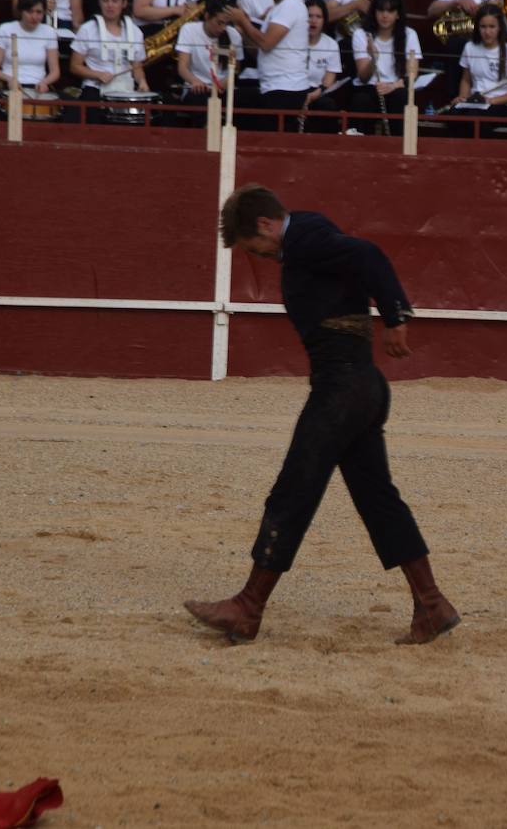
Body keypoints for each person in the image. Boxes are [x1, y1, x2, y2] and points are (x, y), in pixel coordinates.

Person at [185, 183, 460, 647]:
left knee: (295, 489)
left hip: (341, 389)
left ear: (266, 225)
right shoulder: (310, 232)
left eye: (255, 247)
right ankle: (431, 605)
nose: (261, 257)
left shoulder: (304, 241)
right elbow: (357, 260)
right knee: (378, 498)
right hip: (362, 386)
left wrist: (395, 315)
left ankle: (248, 609)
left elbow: (370, 254)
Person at [225, 0, 309, 130]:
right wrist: (243, 29)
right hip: (273, 87)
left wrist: (244, 21)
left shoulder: (291, 5)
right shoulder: (276, 9)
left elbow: (266, 43)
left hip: (286, 89)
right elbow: (259, 51)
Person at [69, 0, 149, 121]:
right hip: (95, 87)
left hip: (126, 88)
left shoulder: (135, 32)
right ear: (99, 2)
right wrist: (97, 74)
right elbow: (75, 66)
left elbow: (137, 67)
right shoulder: (87, 29)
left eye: (114, 0)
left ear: (123, 3)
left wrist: (142, 82)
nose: (110, 5)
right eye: (105, 0)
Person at [447, 0, 507, 136]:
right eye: (483, 27)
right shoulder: (470, 47)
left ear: (500, 27)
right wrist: (463, 97)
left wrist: (491, 100)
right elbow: (466, 80)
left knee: (474, 119)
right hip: (475, 102)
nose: (487, 32)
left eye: (492, 27)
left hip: (500, 104)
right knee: (453, 115)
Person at [348, 0, 419, 135]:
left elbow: (412, 73)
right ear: (374, 12)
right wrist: (374, 60)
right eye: (381, 10)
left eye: (390, 11)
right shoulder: (361, 34)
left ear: (398, 14)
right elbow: (363, 77)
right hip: (369, 87)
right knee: (361, 100)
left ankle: (399, 147)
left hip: (396, 87)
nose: (385, 15)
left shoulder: (410, 35)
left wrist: (393, 86)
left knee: (402, 97)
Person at [174, 0, 241, 121]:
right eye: (219, 23)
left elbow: (236, 68)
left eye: (226, 24)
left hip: (223, 89)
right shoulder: (189, 30)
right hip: (198, 89)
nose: (223, 28)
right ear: (207, 16)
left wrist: (226, 82)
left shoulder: (233, 35)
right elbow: (182, 67)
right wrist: (194, 81)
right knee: (201, 105)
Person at [0, 0, 60, 94]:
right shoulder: (5, 29)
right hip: (9, 84)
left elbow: (55, 71)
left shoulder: (49, 32)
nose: (34, 17)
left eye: (39, 12)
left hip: (38, 86)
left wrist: (45, 82)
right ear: (21, 11)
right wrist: (9, 79)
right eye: (30, 12)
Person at [300, 0, 341, 132]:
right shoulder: (293, 40)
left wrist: (316, 93)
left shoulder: (331, 44)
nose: (313, 21)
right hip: (295, 88)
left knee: (327, 105)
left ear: (324, 20)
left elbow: (329, 78)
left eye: (318, 16)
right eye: (309, 16)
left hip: (319, 91)